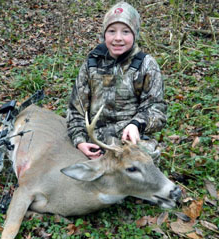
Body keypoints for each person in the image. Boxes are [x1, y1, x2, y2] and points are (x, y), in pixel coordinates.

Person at [66, 1, 167, 161]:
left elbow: (156, 109)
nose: (118, 38)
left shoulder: (146, 65)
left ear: (135, 34)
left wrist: (136, 124)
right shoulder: (91, 64)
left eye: (125, 32)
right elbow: (75, 110)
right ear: (103, 34)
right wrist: (80, 142)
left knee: (144, 168)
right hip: (95, 144)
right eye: (112, 31)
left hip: (129, 143)